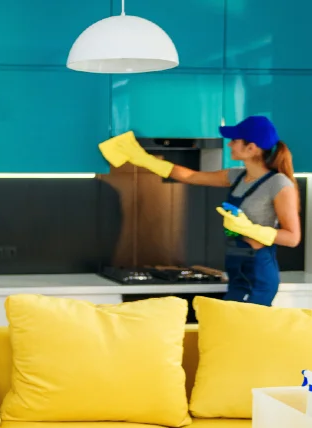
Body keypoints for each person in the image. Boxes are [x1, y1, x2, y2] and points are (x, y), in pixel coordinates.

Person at [99, 115, 301, 306]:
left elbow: (292, 237)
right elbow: (190, 177)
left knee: (244, 332)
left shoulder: (279, 184)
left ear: (251, 148)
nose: (229, 144)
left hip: (258, 269)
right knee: (230, 329)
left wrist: (250, 229)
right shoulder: (237, 176)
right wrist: (142, 158)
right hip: (237, 264)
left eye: (234, 140)